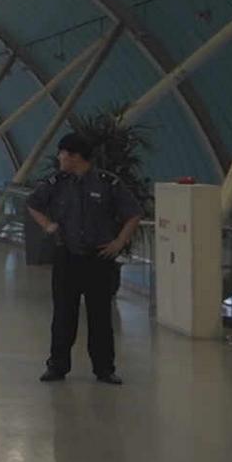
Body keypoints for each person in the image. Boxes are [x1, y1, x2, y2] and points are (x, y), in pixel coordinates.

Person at [26, 133, 142, 385]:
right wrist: (47, 225)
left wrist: (119, 242)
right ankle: (57, 366)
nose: (59, 158)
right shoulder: (56, 183)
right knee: (63, 315)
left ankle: (104, 368)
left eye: (63, 153)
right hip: (67, 257)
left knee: (100, 316)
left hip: (98, 259)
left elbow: (132, 213)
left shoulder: (107, 184)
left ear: (75, 156)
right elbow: (33, 203)